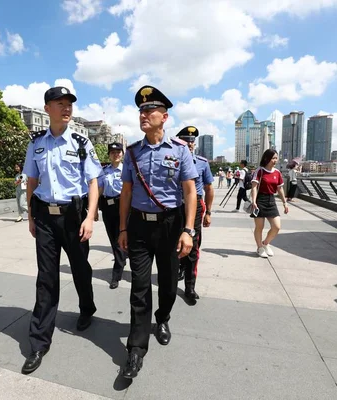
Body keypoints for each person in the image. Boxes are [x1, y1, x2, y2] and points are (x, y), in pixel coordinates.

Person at [21, 86, 102, 375]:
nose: (66, 108)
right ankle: (39, 342)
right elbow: (31, 181)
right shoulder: (36, 144)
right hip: (44, 214)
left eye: (69, 103)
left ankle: (87, 308)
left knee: (81, 268)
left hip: (74, 215)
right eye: (60, 103)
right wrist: (31, 217)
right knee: (46, 277)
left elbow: (93, 182)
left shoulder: (81, 142)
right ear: (47, 109)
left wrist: (90, 217)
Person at [118, 85, 198, 379]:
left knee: (166, 283)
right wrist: (123, 227)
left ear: (164, 117)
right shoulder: (133, 152)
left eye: (149, 110)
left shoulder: (179, 150)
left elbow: (190, 193)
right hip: (138, 225)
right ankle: (136, 349)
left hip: (170, 225)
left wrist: (188, 230)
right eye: (141, 110)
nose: (143, 115)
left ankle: (162, 318)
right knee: (139, 287)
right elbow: (126, 191)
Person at [175, 126, 214, 303]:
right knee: (173, 241)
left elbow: (209, 188)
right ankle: (178, 269)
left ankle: (190, 286)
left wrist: (209, 213)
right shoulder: (172, 159)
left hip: (195, 205)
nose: (189, 143)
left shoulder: (201, 162)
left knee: (193, 245)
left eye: (192, 141)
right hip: (175, 205)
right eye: (185, 140)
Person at [97, 142, 127, 289]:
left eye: (118, 152)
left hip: (123, 206)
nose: (116, 154)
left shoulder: (127, 170)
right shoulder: (103, 171)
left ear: (122, 154)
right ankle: (121, 260)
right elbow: (100, 189)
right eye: (113, 152)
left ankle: (117, 272)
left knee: (122, 237)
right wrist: (94, 209)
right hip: (108, 208)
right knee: (113, 239)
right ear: (109, 155)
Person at [250, 149, 289, 258]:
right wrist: (253, 201)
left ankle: (265, 243)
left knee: (276, 226)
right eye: (273, 158)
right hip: (260, 200)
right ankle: (259, 247)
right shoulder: (260, 171)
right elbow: (254, 187)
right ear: (266, 158)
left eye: (276, 158)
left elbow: (280, 189)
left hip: (271, 200)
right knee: (259, 226)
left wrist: (284, 202)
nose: (275, 160)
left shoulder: (277, 172)